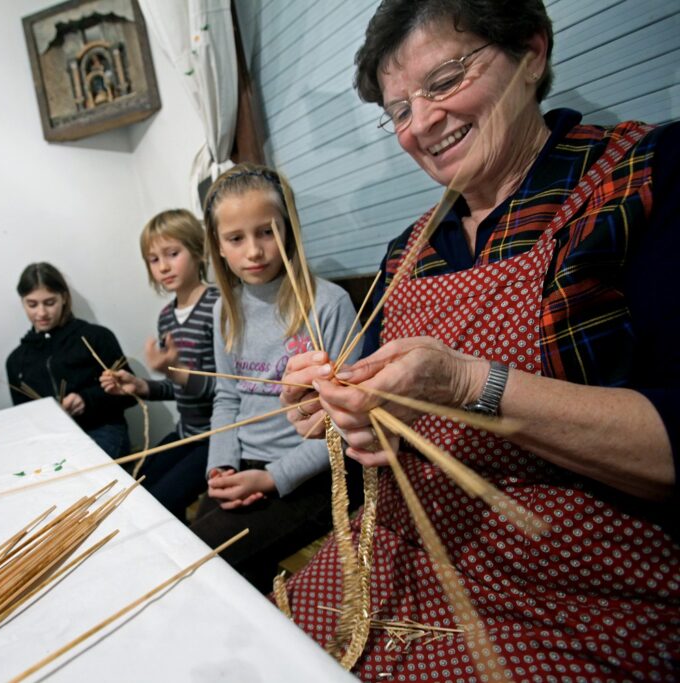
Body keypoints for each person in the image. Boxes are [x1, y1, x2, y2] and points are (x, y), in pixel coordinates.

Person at [277, 1, 680, 680]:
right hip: (400, 555)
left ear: (532, 53)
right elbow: (380, 422)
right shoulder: (409, 250)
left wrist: (470, 383)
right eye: (398, 110)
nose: (421, 123)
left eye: (443, 82)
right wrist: (340, 411)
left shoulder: (641, 178)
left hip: (579, 594)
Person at [188, 163, 362, 593]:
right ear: (218, 247)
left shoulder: (328, 304)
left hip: (313, 475)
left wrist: (273, 477)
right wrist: (221, 465)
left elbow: (346, 422)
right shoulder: (224, 309)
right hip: (245, 463)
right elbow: (227, 397)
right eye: (236, 238)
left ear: (289, 229)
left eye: (266, 232)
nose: (254, 251)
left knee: (207, 559)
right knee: (189, 547)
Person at [99, 209, 220, 521]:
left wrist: (176, 372)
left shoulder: (219, 306)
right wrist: (141, 386)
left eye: (172, 254)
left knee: (160, 501)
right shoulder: (166, 317)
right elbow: (176, 386)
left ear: (198, 250)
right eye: (153, 259)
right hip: (187, 431)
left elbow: (229, 388)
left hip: (218, 436)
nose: (163, 266)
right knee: (136, 486)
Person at [6, 262, 135, 457]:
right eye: (32, 304)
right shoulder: (16, 361)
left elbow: (130, 394)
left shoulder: (96, 337)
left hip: (101, 430)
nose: (41, 313)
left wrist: (86, 400)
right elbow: (24, 419)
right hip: (51, 441)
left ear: (64, 298)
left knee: (87, 468)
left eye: (50, 303)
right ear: (22, 302)